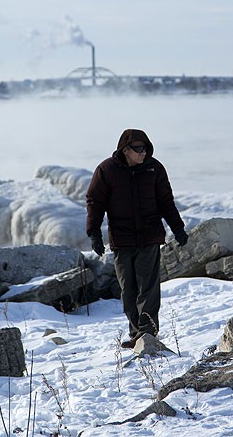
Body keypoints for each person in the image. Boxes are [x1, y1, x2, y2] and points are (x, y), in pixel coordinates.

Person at [85, 129, 188, 349]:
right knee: (128, 290)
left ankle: (147, 334)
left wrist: (178, 229)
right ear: (125, 150)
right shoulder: (107, 170)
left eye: (146, 148)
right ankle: (136, 334)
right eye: (139, 149)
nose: (144, 153)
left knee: (148, 288)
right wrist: (94, 233)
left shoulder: (154, 168)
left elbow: (166, 202)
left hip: (149, 237)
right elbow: (95, 202)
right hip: (121, 240)